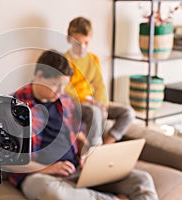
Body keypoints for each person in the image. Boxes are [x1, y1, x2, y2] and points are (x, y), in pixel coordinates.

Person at [8, 50, 158, 199]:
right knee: (51, 192)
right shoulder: (14, 106)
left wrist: (86, 153)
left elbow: (77, 134)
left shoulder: (65, 101)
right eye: (56, 85)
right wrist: (49, 168)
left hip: (77, 170)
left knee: (142, 180)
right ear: (39, 75)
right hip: (41, 175)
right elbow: (11, 160)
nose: (61, 92)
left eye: (64, 86)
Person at [65, 16, 135, 145]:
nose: (82, 47)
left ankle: (106, 144)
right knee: (95, 111)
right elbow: (66, 89)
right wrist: (89, 101)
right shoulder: (64, 61)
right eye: (77, 43)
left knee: (128, 113)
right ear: (69, 40)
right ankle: (94, 148)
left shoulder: (93, 59)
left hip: (95, 103)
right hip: (77, 104)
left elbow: (99, 85)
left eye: (86, 43)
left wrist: (102, 105)